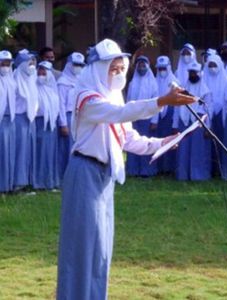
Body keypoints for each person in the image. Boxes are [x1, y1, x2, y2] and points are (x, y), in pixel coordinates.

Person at [56, 39, 195, 300]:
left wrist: (159, 144)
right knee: (81, 249)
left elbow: (127, 138)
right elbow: (121, 114)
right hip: (84, 172)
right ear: (99, 69)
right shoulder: (86, 96)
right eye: (113, 68)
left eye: (122, 68)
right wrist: (162, 100)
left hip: (104, 176)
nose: (119, 73)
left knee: (101, 250)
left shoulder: (112, 97)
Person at [173, 62, 212, 181]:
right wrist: (175, 124)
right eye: (191, 72)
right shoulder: (183, 88)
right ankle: (183, 175)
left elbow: (208, 109)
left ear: (200, 73)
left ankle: (198, 176)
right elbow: (177, 107)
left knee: (197, 150)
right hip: (183, 121)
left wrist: (208, 127)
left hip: (199, 122)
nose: (193, 74)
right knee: (183, 149)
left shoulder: (205, 90)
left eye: (195, 72)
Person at [125, 55, 159, 177]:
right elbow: (128, 101)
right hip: (134, 118)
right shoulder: (132, 83)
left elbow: (156, 103)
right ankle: (133, 170)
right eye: (139, 64)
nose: (141, 67)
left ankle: (147, 171)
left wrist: (154, 120)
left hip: (147, 119)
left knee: (147, 144)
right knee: (133, 143)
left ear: (148, 66)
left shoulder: (153, 84)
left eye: (143, 64)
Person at [13, 49, 39, 190]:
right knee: (20, 151)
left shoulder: (31, 77)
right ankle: (17, 183)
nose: (32, 64)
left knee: (29, 150)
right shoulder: (14, 79)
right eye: (29, 61)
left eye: (33, 61)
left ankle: (27, 181)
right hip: (18, 119)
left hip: (30, 119)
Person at [57, 52, 85, 178]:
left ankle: (77, 174)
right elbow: (61, 104)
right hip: (68, 117)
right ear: (69, 65)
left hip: (81, 117)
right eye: (75, 64)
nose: (78, 67)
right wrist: (63, 123)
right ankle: (67, 175)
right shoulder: (63, 82)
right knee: (68, 147)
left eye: (80, 65)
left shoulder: (82, 81)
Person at [33, 61, 60, 190]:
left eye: (44, 71)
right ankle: (38, 182)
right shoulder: (33, 87)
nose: (41, 74)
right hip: (39, 124)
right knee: (39, 153)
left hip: (51, 126)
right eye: (39, 71)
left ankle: (50, 181)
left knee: (50, 153)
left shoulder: (53, 90)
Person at [152, 55, 179, 174]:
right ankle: (157, 167)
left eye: (164, 68)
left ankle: (169, 169)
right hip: (156, 113)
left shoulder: (176, 82)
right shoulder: (153, 81)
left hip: (170, 113)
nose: (162, 71)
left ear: (169, 68)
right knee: (157, 140)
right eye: (160, 68)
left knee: (169, 141)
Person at [0, 50, 17, 193]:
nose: (5, 66)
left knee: (9, 153)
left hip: (10, 120)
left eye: (7, 63)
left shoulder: (11, 80)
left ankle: (8, 185)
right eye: (2, 63)